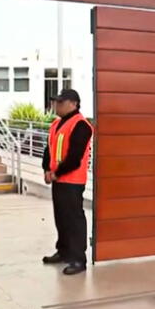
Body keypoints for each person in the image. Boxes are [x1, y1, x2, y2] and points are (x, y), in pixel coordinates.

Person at [41, 89, 93, 276]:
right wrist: (47, 169)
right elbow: (49, 149)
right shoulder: (56, 124)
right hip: (57, 179)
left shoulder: (81, 125)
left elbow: (75, 157)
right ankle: (63, 251)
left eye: (60, 102)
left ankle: (79, 259)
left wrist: (56, 173)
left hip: (72, 181)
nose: (56, 106)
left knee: (74, 220)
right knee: (61, 218)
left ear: (73, 103)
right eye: (55, 102)